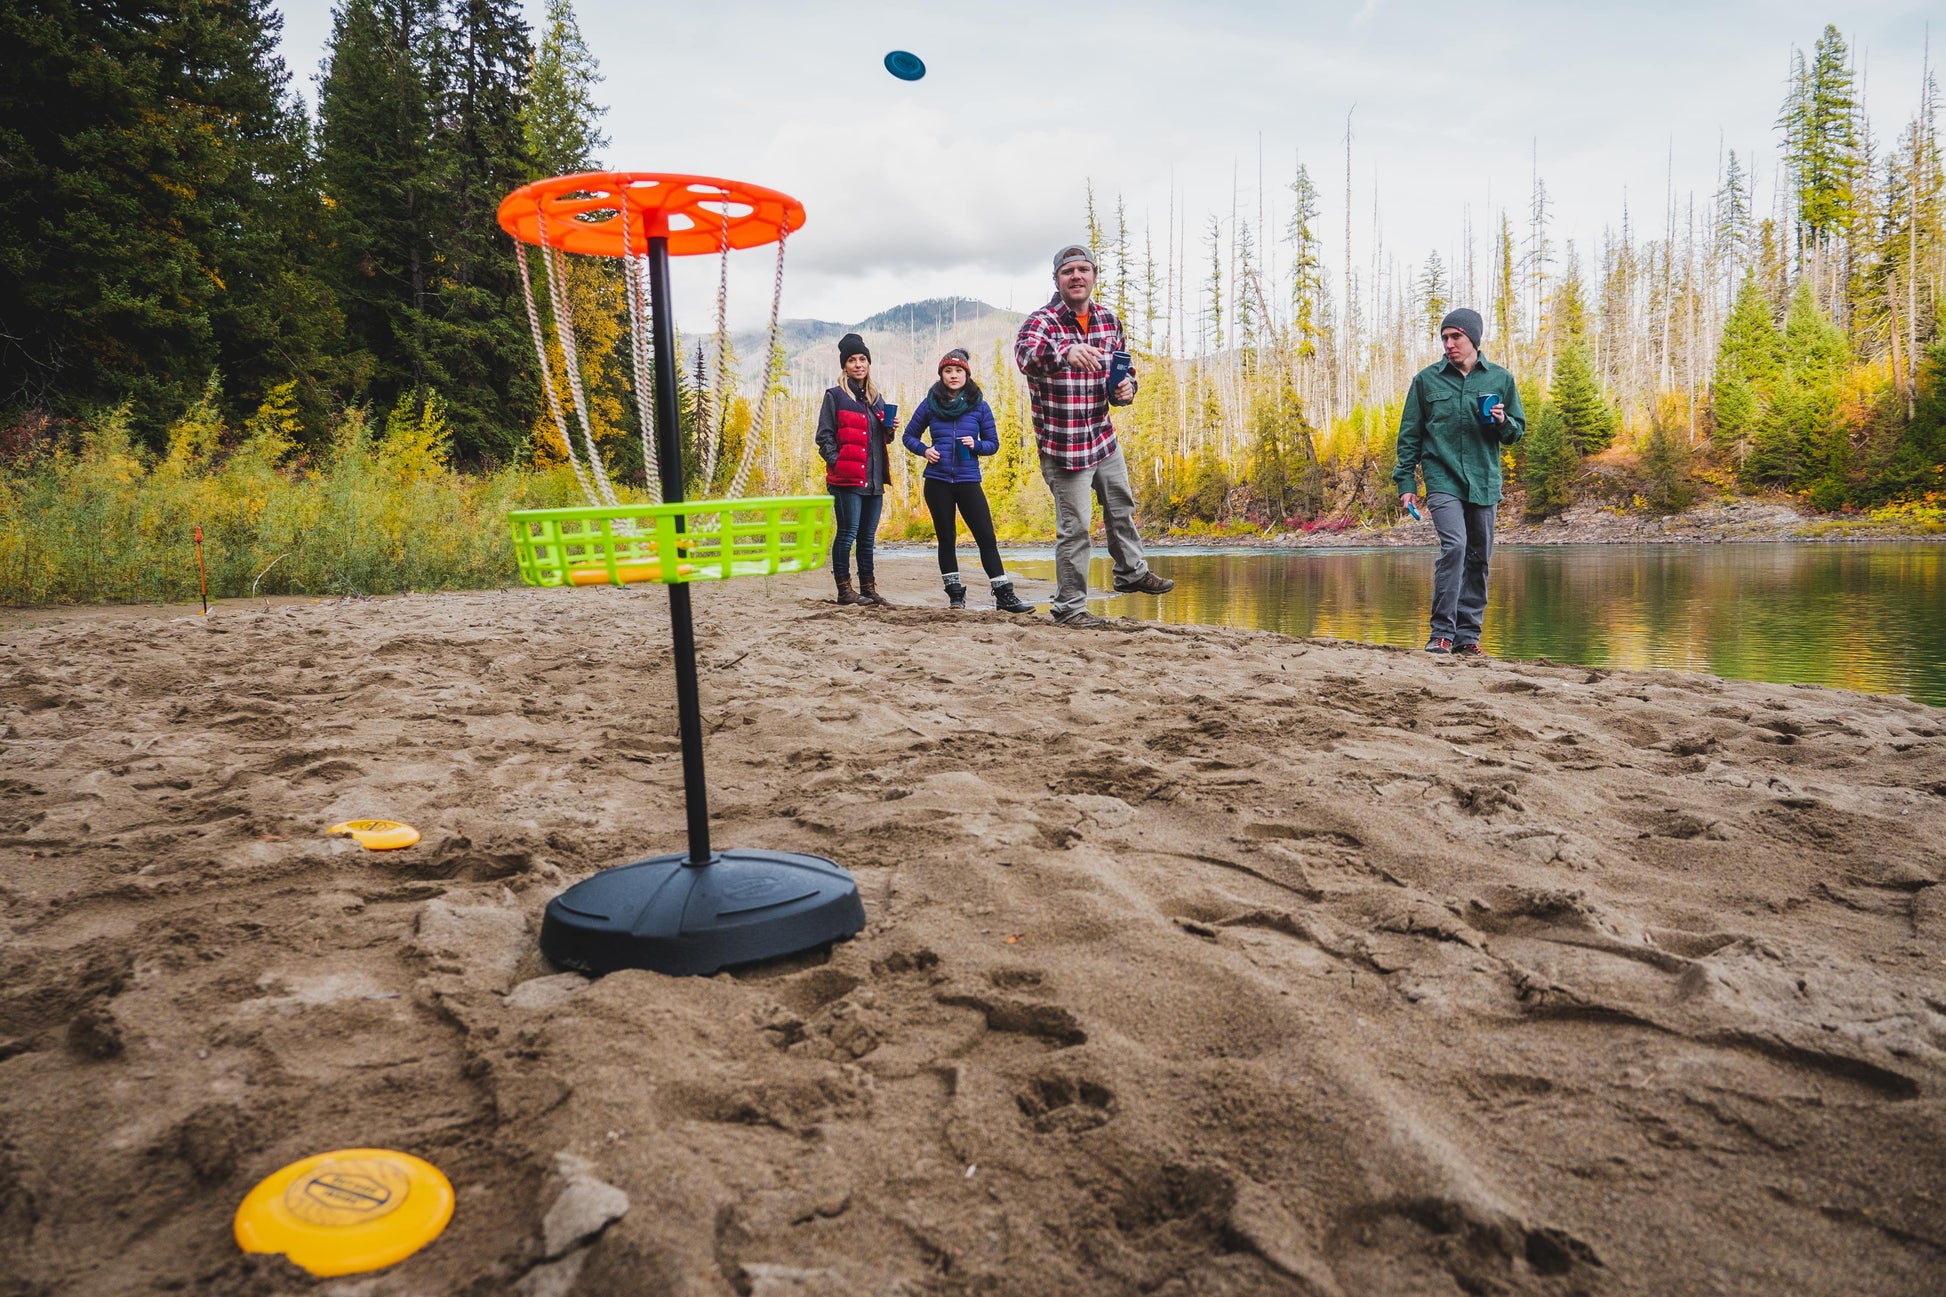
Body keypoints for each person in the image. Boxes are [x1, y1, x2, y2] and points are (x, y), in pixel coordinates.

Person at [1014, 243, 1172, 628]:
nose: (1077, 277)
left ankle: (1131, 572)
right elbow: (1025, 355)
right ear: (1057, 280)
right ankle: (1069, 608)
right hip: (1063, 444)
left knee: (1121, 506)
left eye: (1083, 270)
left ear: (1094, 276)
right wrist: (1064, 352)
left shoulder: (1108, 321)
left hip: (1101, 437)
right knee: (1076, 528)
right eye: (1068, 272)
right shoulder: (1043, 321)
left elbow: (1124, 370)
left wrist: (1126, 389)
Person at [1393, 308, 1526, 656]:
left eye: (1456, 337)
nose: (1449, 344)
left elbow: (1516, 432)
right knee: (1455, 547)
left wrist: (1502, 422)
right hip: (1442, 478)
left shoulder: (1500, 379)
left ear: (1473, 340)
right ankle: (1441, 634)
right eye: (1444, 337)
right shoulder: (1426, 381)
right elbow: (1409, 436)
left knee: (1479, 557)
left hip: (1483, 480)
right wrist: (1406, 482)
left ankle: (1468, 638)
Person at [901, 348, 1034, 612]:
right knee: (946, 538)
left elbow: (993, 444)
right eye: (948, 371)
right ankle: (955, 596)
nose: (953, 375)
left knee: (986, 536)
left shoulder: (979, 406)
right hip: (937, 481)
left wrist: (975, 445)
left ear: (966, 374)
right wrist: (925, 450)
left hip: (968, 479)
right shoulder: (930, 403)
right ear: (941, 375)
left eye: (958, 371)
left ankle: (1004, 595)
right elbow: (908, 436)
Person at [814, 332, 895, 607]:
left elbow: (881, 439)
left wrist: (889, 430)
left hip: (873, 481)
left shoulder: (876, 398)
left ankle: (869, 589)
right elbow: (823, 437)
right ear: (844, 366)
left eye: (862, 359)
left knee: (867, 538)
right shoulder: (835, 396)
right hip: (846, 480)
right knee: (847, 533)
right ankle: (844, 591)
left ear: (868, 363)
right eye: (852, 360)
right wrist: (837, 461)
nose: (858, 364)